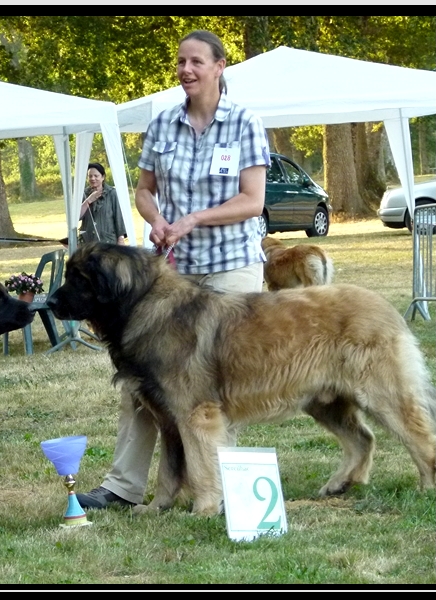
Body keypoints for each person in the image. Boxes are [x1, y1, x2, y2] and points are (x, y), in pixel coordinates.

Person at [76, 30, 270, 510]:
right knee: (142, 376)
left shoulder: (245, 122)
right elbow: (144, 190)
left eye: (196, 62)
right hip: (173, 275)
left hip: (231, 269)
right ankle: (123, 486)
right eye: (181, 61)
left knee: (223, 383)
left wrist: (193, 219)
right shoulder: (162, 124)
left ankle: (220, 488)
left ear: (220, 66)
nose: (186, 70)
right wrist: (157, 219)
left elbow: (253, 201)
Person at [78, 162, 127, 245]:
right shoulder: (83, 194)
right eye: (90, 176)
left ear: (103, 177)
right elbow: (77, 217)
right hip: (87, 242)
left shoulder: (112, 193)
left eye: (96, 176)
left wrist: (120, 239)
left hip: (108, 241)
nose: (93, 178)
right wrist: (88, 201)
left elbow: (118, 217)